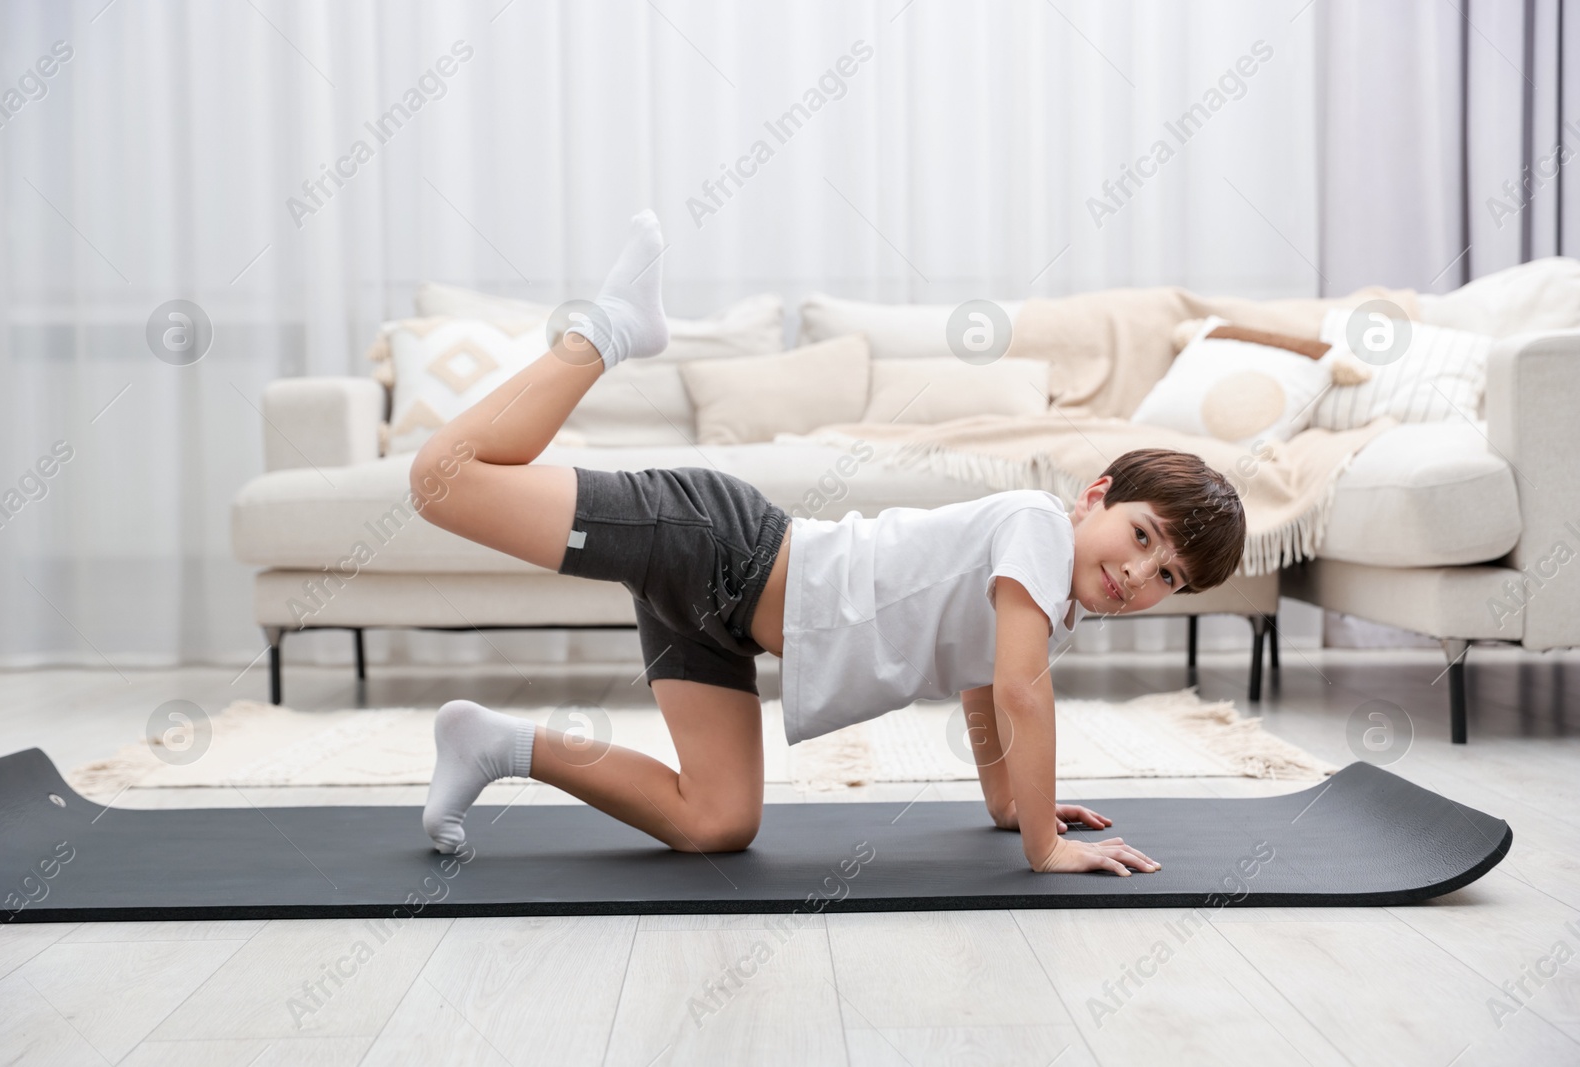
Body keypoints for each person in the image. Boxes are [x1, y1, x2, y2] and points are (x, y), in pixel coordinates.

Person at [413, 209, 1247, 874]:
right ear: (1094, 495)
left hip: (722, 618)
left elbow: (985, 687)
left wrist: (1008, 804)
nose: (1138, 572)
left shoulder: (1049, 604)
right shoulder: (1035, 525)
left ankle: (493, 743)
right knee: (441, 481)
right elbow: (1023, 695)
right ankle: (608, 331)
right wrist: (1043, 843)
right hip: (715, 544)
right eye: (1143, 535)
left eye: (1166, 575)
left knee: (717, 822)